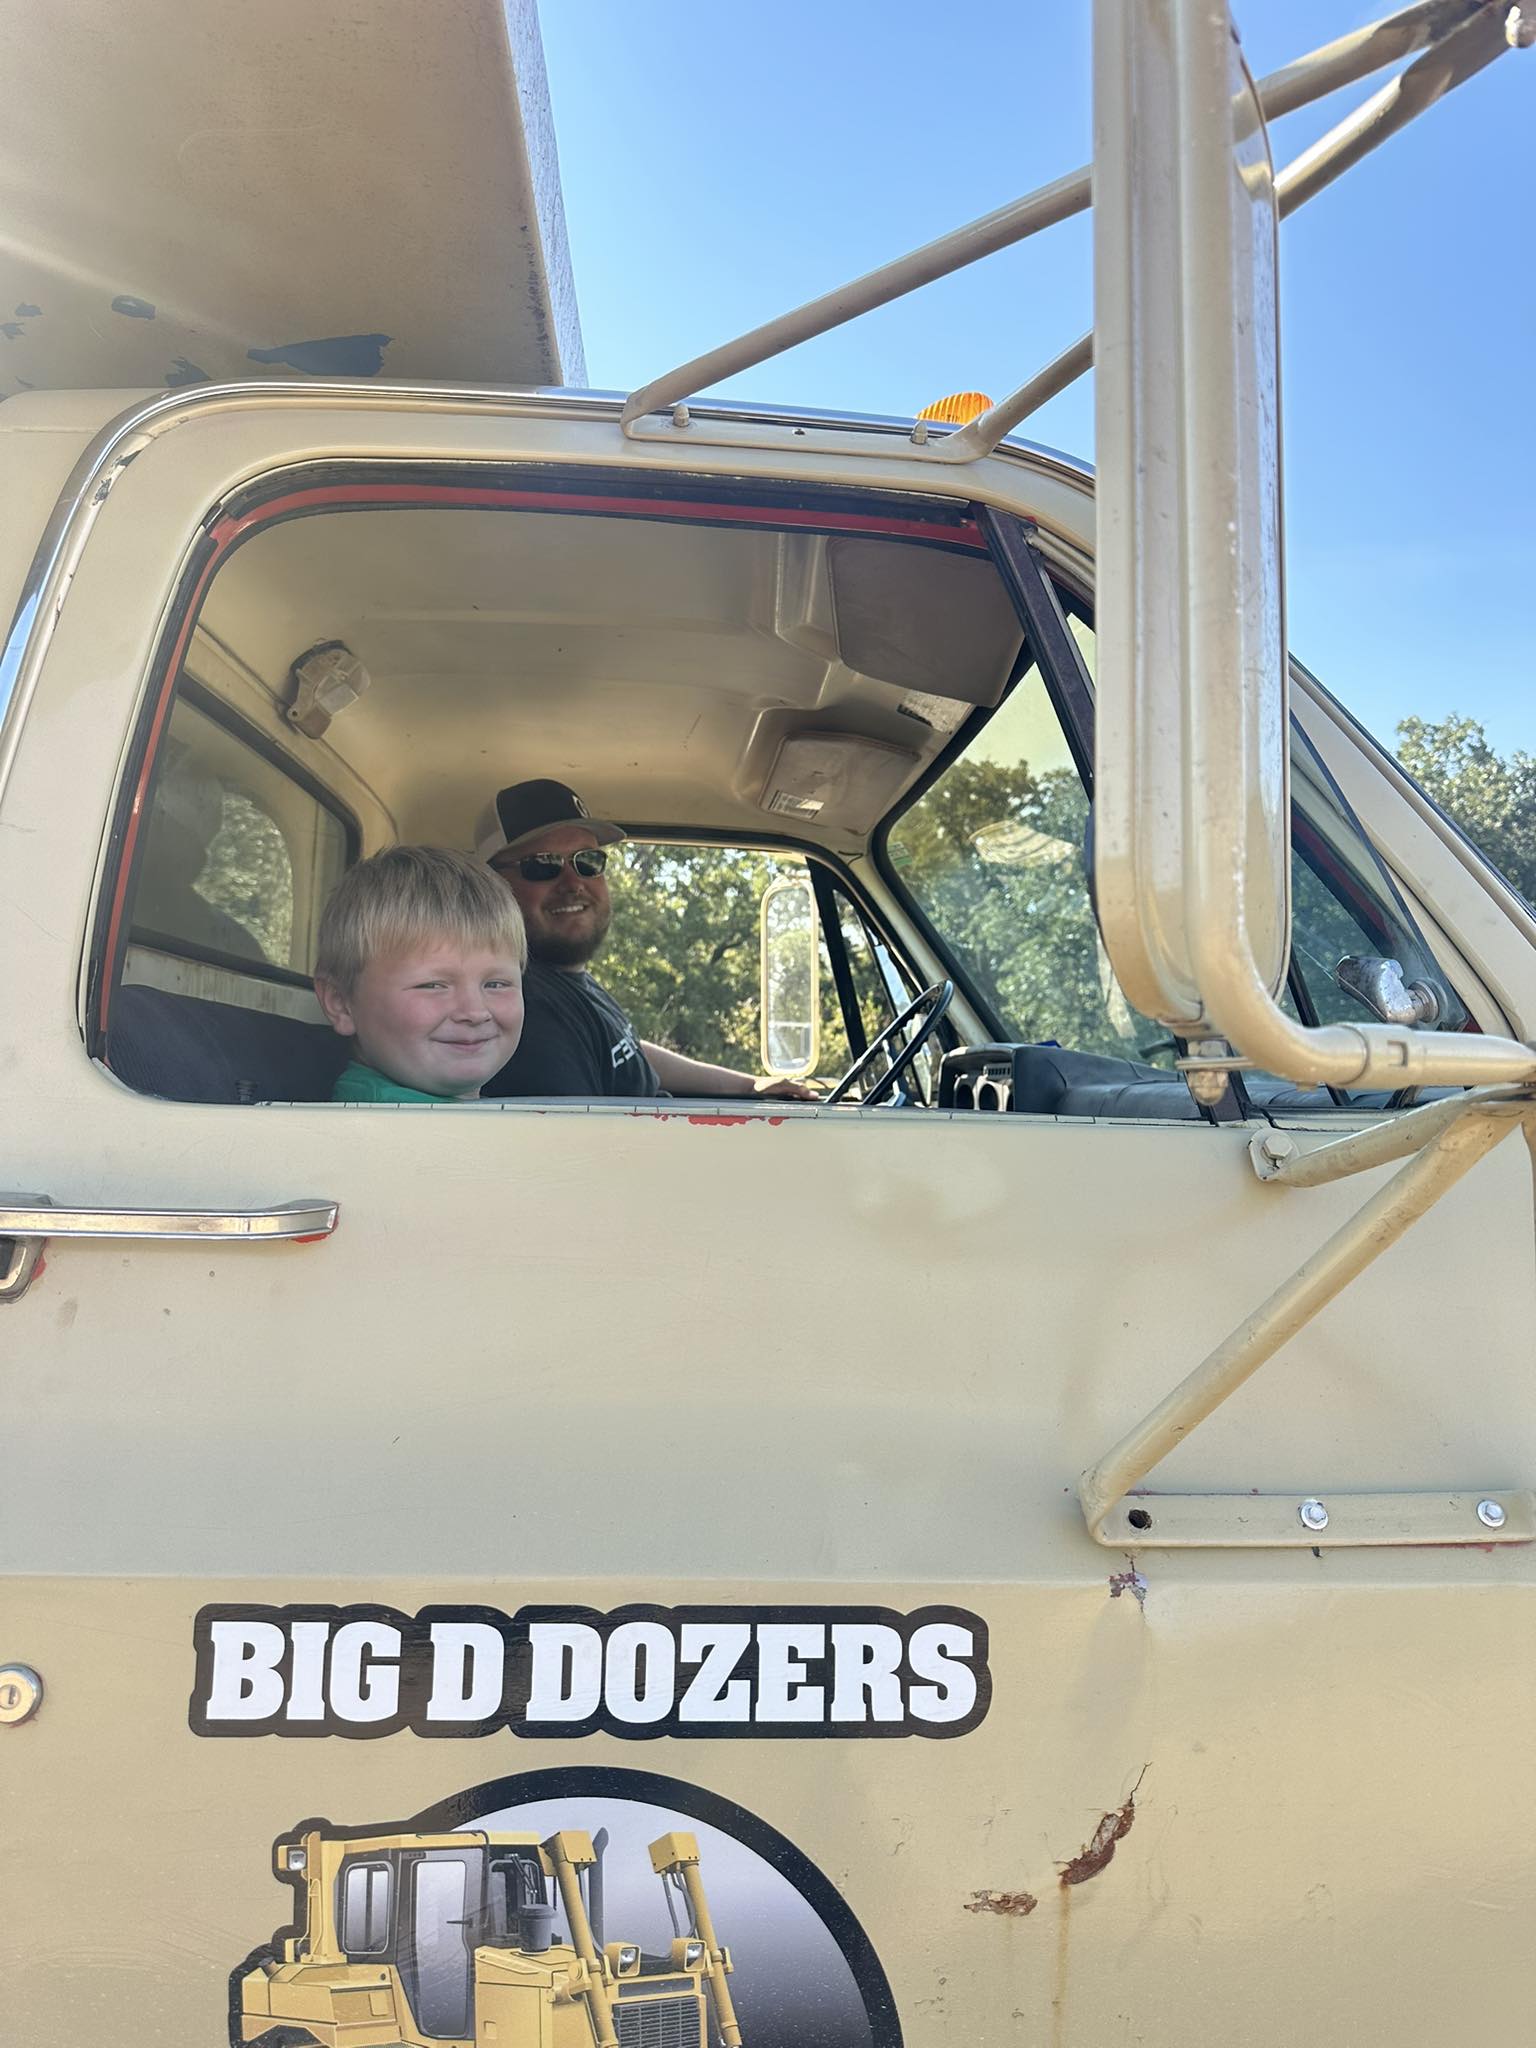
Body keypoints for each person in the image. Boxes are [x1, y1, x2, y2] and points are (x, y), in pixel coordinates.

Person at [473, 779, 816, 1100]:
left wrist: (749, 1086)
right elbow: (585, 1155)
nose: (573, 882)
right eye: (543, 865)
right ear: (493, 885)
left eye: (588, 861)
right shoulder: (527, 1011)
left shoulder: (563, 980)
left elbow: (624, 1049)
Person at [314, 845, 527, 1103]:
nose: (475, 1012)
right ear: (341, 1004)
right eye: (433, 985)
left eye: (496, 984)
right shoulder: (390, 1128)